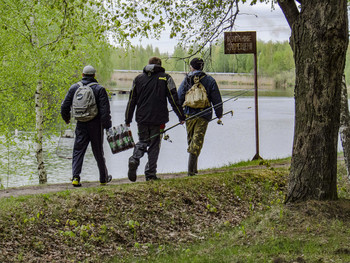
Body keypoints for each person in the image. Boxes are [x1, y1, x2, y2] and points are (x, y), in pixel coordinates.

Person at [125, 57, 185, 182]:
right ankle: (150, 174)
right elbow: (173, 99)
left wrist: (128, 119)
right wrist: (181, 116)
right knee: (154, 145)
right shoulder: (166, 78)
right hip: (158, 120)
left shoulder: (138, 79)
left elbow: (132, 100)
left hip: (141, 118)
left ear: (148, 65)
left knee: (142, 141)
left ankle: (134, 158)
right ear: (160, 65)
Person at [61, 65, 112, 187]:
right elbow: (105, 111)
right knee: (98, 152)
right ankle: (103, 178)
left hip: (81, 124)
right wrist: (107, 127)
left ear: (82, 75)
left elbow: (64, 106)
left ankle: (75, 178)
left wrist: (66, 118)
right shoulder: (99, 89)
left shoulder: (74, 88)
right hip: (96, 124)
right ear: (94, 75)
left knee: (78, 151)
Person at [178, 58, 223, 176]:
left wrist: (180, 116)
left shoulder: (187, 80)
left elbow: (179, 97)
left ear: (192, 67)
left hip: (189, 114)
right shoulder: (209, 80)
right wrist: (219, 114)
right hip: (204, 115)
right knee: (197, 141)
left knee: (191, 140)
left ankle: (192, 170)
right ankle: (191, 171)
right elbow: (217, 99)